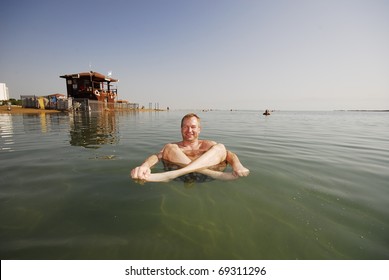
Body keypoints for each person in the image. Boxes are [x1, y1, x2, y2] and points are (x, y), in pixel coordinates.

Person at [130, 113, 250, 183]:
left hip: (205, 177)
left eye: (193, 127)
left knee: (220, 147)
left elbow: (229, 154)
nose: (189, 130)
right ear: (181, 129)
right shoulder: (175, 147)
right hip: (184, 177)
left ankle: (172, 175)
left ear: (199, 129)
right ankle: (195, 171)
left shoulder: (208, 145)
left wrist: (237, 165)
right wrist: (145, 166)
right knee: (169, 147)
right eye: (186, 127)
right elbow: (156, 157)